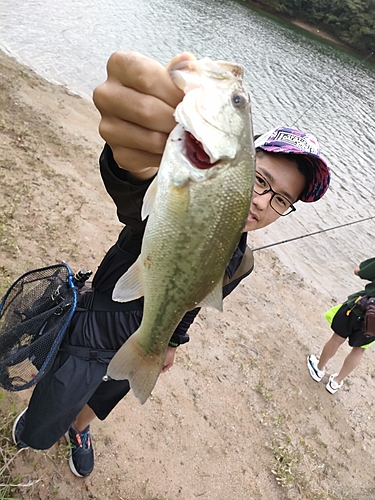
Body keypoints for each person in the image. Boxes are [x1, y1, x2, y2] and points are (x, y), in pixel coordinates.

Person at [12, 51, 330, 478]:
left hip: (148, 340)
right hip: (95, 329)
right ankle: (35, 428)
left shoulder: (243, 261)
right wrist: (130, 162)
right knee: (59, 394)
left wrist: (171, 341)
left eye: (281, 200)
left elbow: (192, 303)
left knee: (107, 394)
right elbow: (135, 194)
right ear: (240, 164)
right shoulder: (187, 186)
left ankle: (81, 428)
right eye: (260, 179)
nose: (262, 200)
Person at [307, 257, 375, 394]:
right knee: (359, 350)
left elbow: (359, 272)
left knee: (337, 338)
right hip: (373, 323)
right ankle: (336, 382)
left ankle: (319, 369)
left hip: (359, 308)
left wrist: (360, 268)